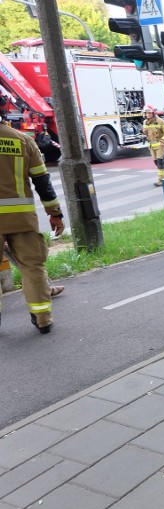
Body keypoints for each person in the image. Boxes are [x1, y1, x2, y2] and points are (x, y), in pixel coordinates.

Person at [0, 95, 64, 333]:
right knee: (33, 268)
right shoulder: (22, 141)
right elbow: (42, 181)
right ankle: (43, 319)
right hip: (22, 219)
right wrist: (55, 213)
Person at [141, 104, 164, 186]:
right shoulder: (145, 122)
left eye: (149, 113)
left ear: (153, 113)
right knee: (156, 163)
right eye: (146, 113)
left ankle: (161, 180)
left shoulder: (161, 121)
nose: (148, 115)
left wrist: (163, 140)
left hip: (160, 145)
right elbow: (146, 132)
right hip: (151, 146)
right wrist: (144, 133)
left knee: (160, 162)